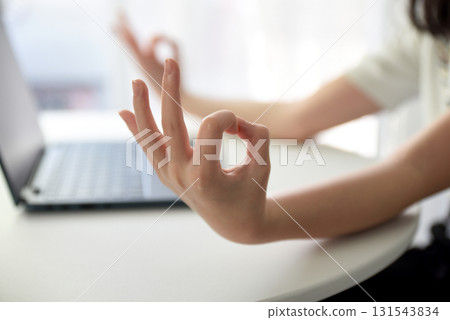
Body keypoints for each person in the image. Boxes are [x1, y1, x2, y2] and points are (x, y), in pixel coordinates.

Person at [118, 0, 450, 300]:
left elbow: (411, 173)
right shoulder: (432, 28)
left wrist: (258, 221)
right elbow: (297, 117)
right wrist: (180, 97)